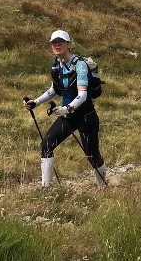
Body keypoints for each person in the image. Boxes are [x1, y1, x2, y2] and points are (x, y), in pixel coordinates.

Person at [23, 30, 107, 188]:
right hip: (68, 115)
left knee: (92, 155)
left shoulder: (80, 65)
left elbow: (82, 94)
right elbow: (54, 90)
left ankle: (103, 187)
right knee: (46, 145)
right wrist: (36, 102)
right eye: (54, 43)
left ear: (68, 44)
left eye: (60, 42)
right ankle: (45, 188)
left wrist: (67, 109)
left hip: (85, 116)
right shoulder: (57, 65)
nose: (57, 45)